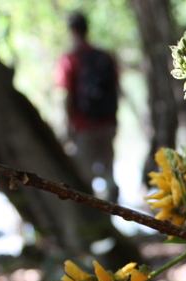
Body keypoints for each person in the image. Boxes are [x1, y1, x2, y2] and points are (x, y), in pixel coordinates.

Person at [55, 11, 120, 203]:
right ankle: (114, 209)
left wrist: (67, 127)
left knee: (85, 174)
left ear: (71, 31)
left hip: (82, 127)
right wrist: (114, 121)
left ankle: (94, 217)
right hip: (106, 124)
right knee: (108, 171)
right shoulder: (105, 57)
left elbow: (66, 95)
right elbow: (116, 90)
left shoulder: (69, 60)